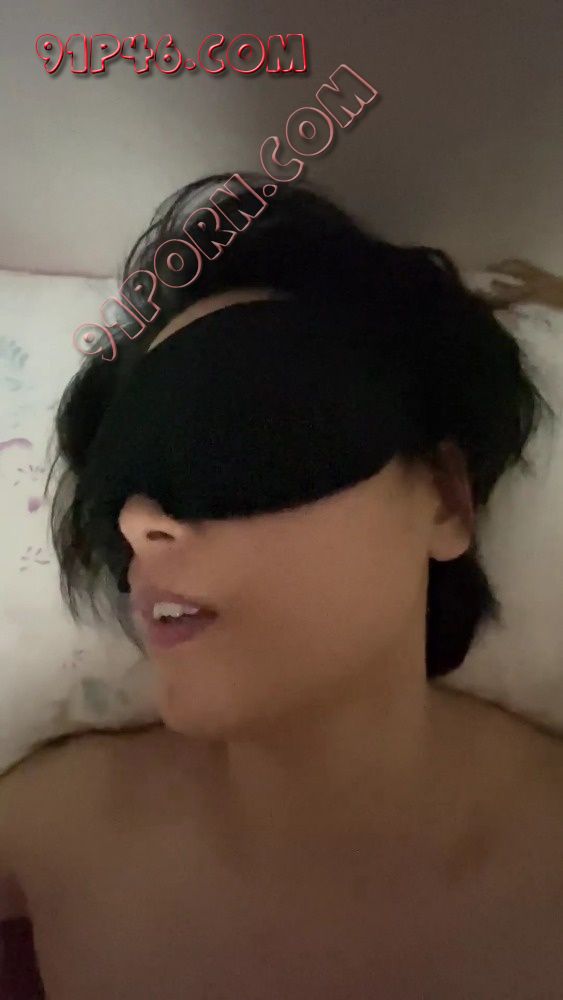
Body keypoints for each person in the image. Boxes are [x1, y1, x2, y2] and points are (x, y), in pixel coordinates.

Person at [1, 172, 563, 999]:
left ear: (445, 499)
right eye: (124, 484)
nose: (139, 524)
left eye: (236, 429)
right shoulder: (55, 833)